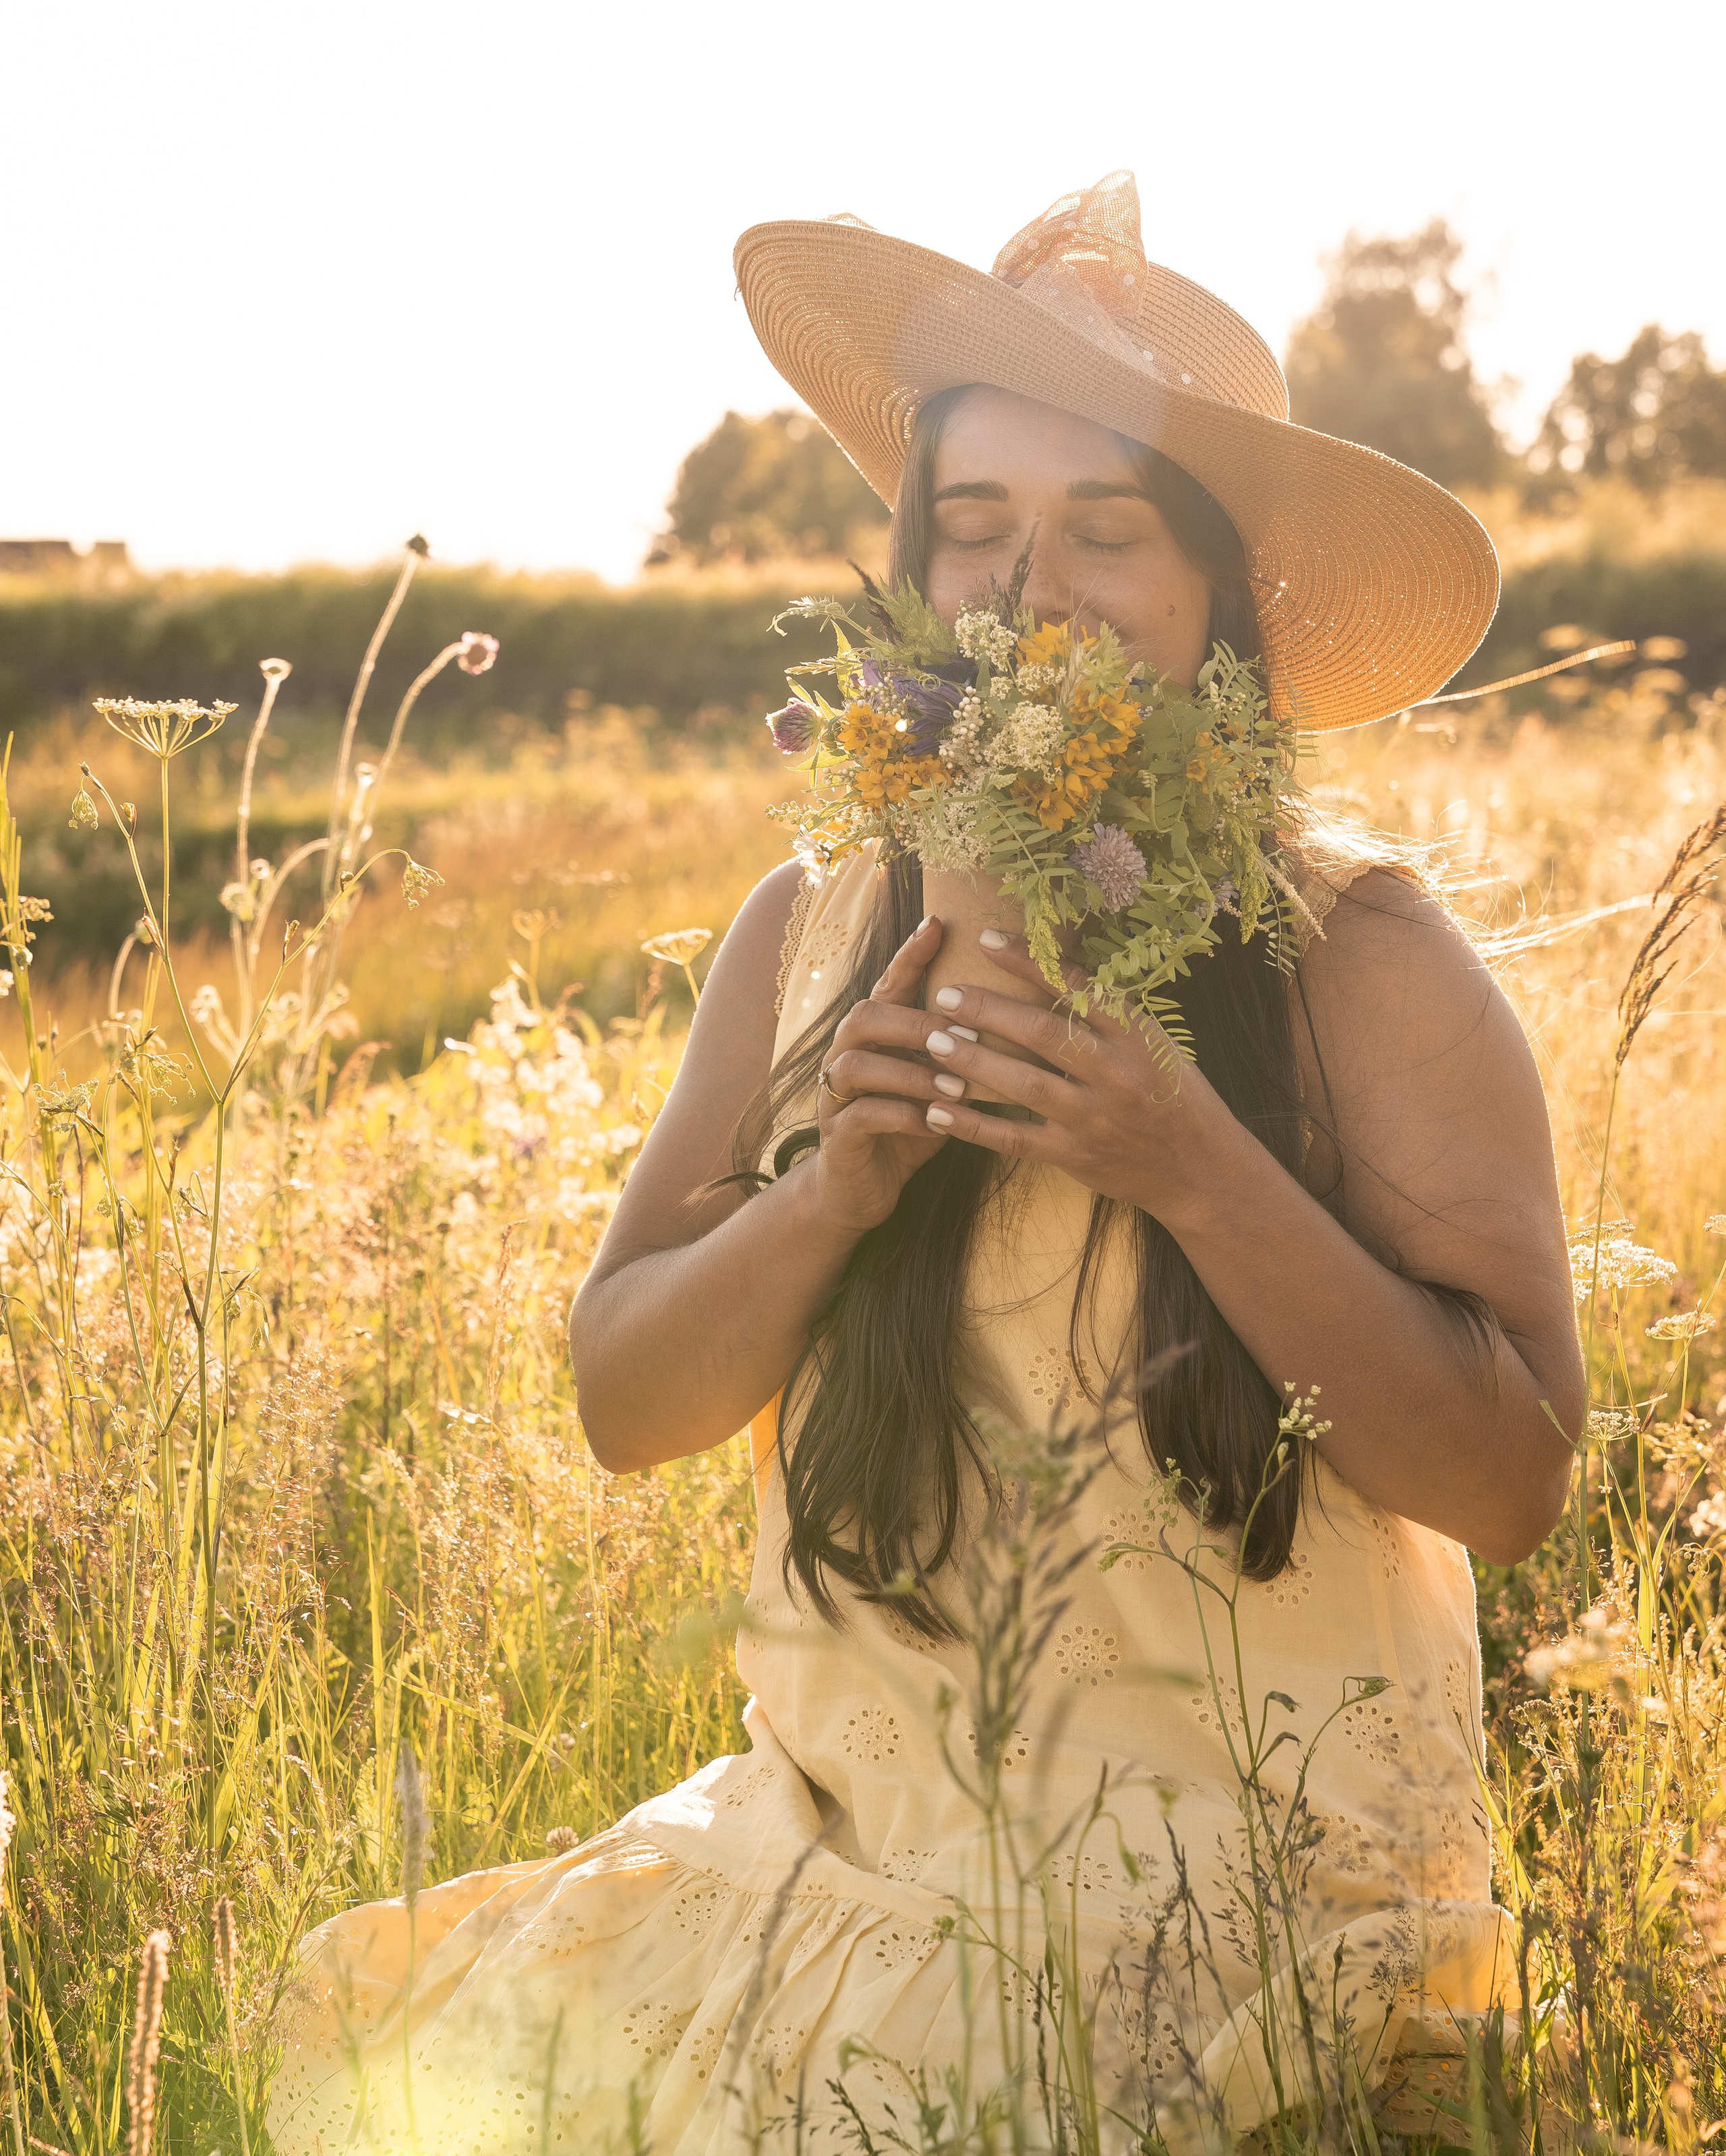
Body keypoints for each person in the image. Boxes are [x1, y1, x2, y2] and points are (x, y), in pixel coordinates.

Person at [268, 174, 1583, 2153]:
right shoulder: (806, 930)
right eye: (973, 528)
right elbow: (629, 1402)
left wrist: (1195, 1164)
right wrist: (832, 1193)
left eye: (1107, 534)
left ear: (1222, 595)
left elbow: (1511, 1484)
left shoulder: (1362, 965)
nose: (1027, 589)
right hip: (837, 1895)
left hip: (1231, 1958)